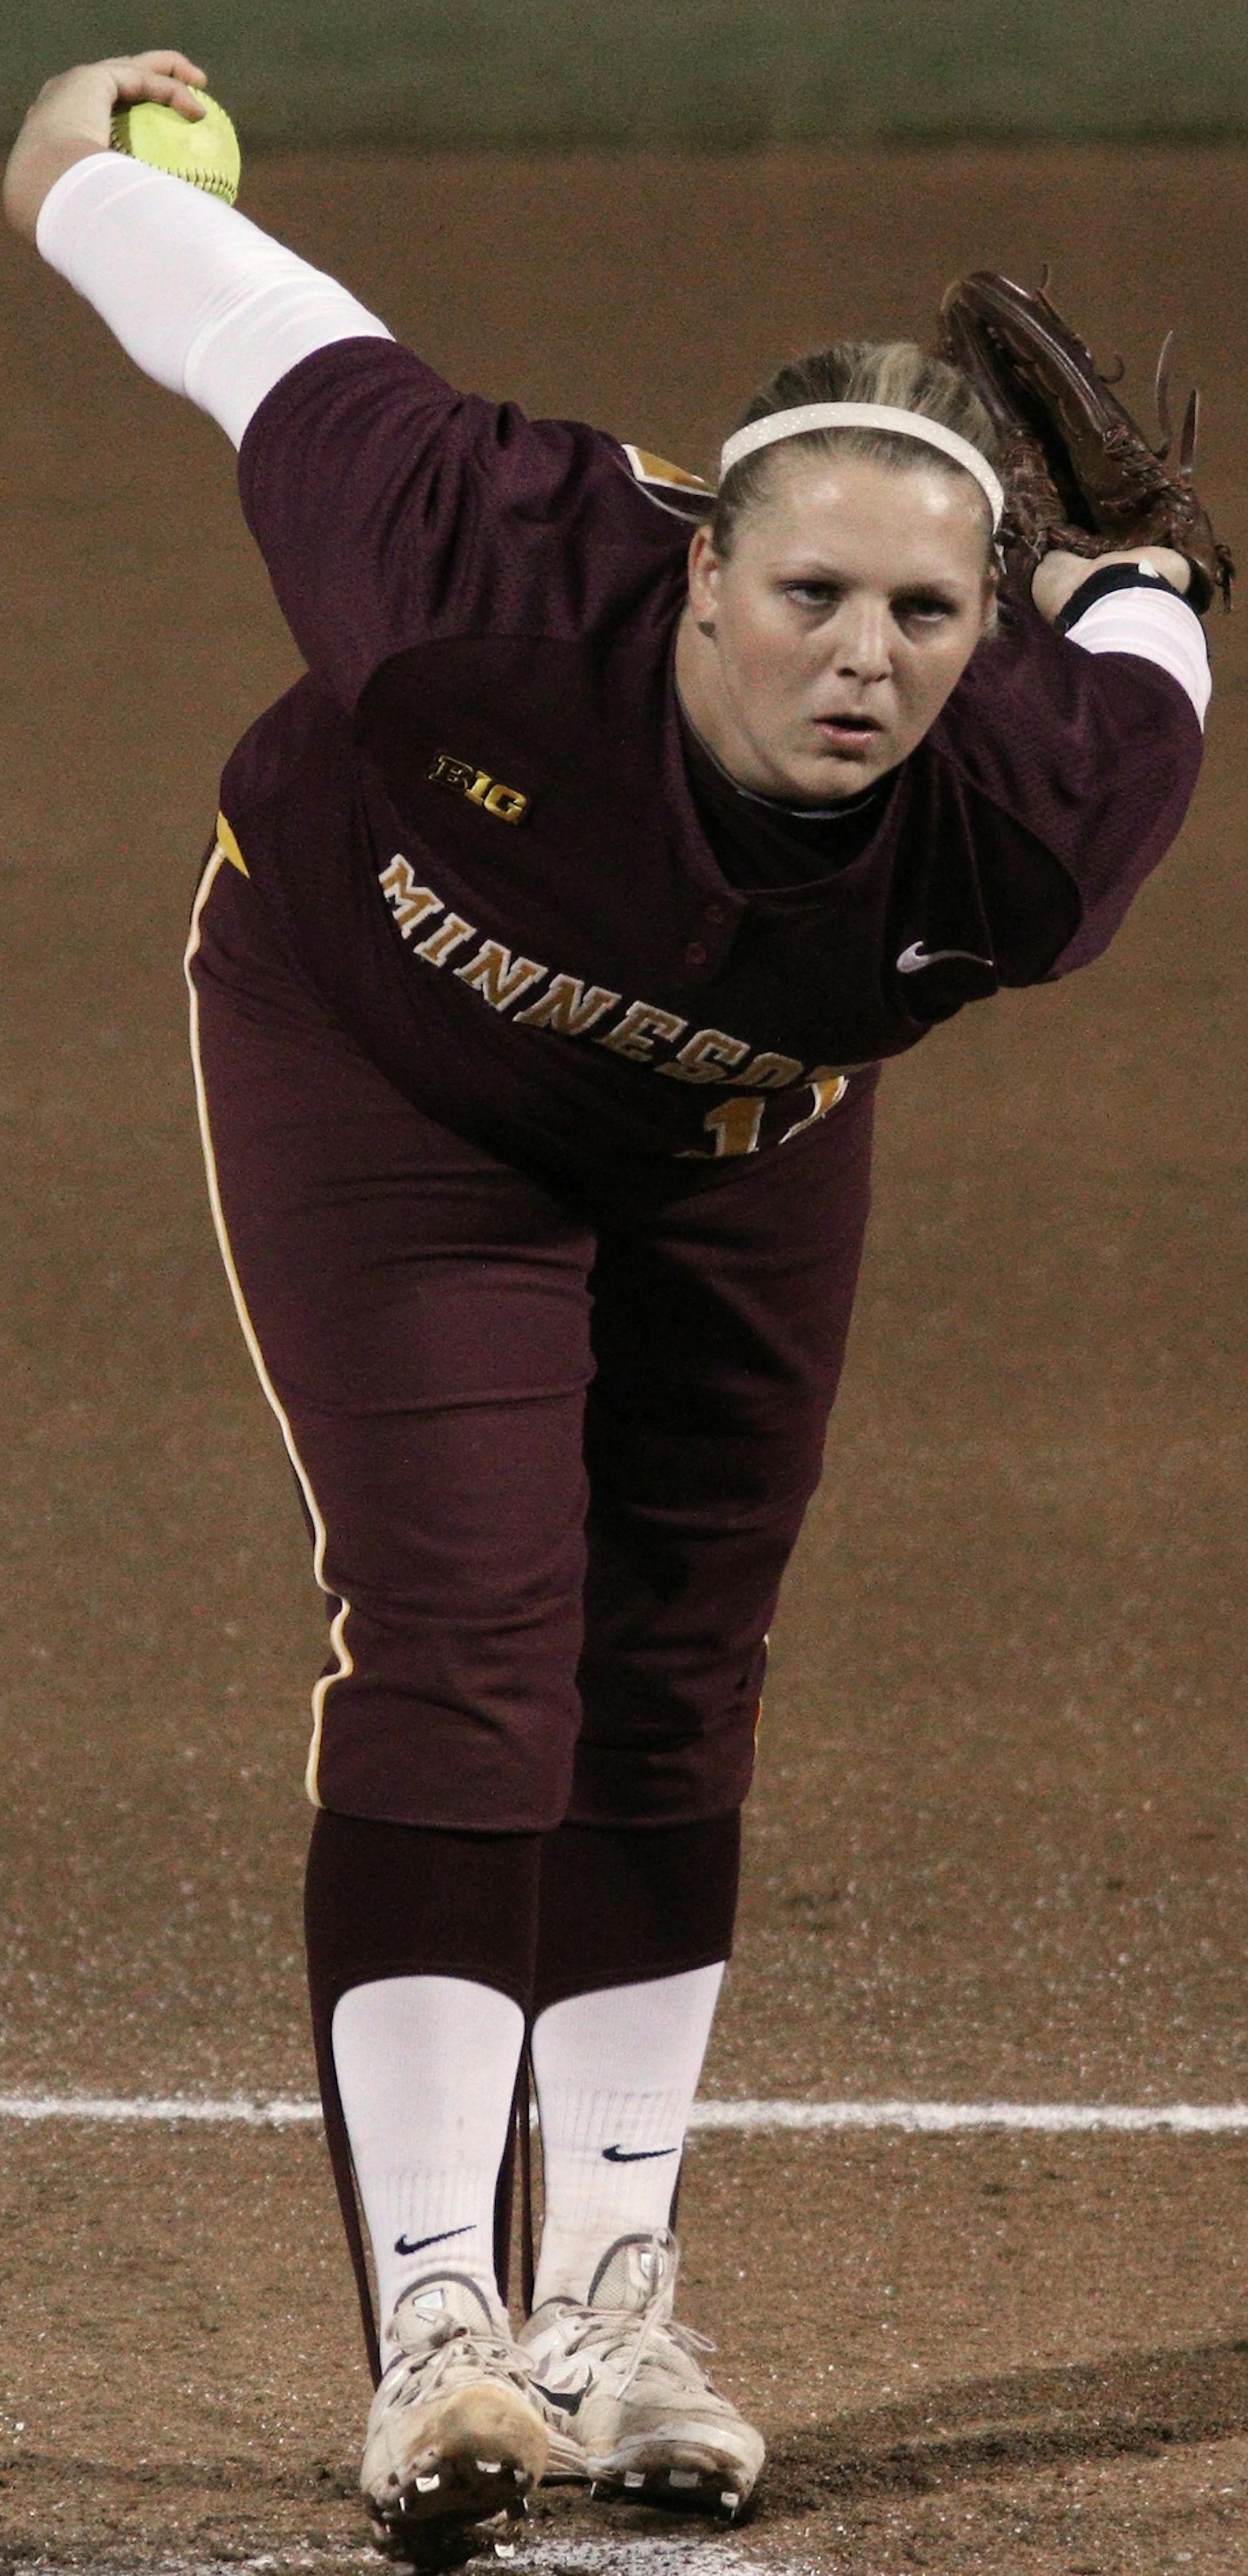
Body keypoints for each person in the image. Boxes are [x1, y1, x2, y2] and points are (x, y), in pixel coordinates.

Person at [4, 49, 1213, 2563]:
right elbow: (238, 314)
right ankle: (440, 2333)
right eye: (809, 596)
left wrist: (1151, 586)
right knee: (466, 1628)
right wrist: (80, 151)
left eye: (923, 613)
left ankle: (615, 2307)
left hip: (737, 1139)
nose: (862, 658)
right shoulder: (478, 559)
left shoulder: (1039, 807)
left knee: (679, 1659)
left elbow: (1159, 634)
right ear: (693, 569)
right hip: (380, 1065)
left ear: (987, 634)